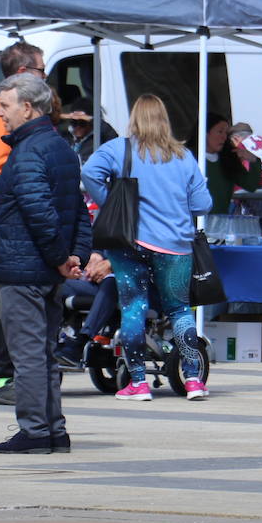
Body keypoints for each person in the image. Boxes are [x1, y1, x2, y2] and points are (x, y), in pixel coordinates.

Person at [0, 72, 91, 452]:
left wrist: (64, 258)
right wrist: (73, 255)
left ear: (27, 108)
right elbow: (77, 210)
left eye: (6, 107)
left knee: (27, 355)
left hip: (24, 268)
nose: (0, 115)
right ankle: (53, 429)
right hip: (41, 267)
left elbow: (39, 211)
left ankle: (34, 430)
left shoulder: (30, 151)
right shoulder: (60, 147)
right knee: (42, 353)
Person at [83, 94, 213, 401]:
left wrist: (111, 202)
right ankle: (193, 380)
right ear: (164, 120)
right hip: (175, 245)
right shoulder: (183, 156)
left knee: (133, 308)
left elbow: (89, 172)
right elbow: (202, 204)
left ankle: (138, 383)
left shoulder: (119, 149)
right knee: (180, 309)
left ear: (134, 119)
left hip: (129, 241)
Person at [0, 42, 48, 406]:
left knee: (11, 299)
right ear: (23, 72)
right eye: (40, 70)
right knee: (7, 300)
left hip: (8, 215)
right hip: (3, 219)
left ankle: (6, 375)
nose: (44, 77)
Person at [204, 114, 262, 214]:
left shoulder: (228, 159)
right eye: (220, 132)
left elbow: (251, 185)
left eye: (226, 133)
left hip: (220, 223)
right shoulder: (189, 158)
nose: (223, 137)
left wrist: (253, 160)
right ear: (205, 133)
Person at [61, 96, 119, 163]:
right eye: (74, 123)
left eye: (82, 123)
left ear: (91, 122)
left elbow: (113, 139)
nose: (77, 127)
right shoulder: (66, 137)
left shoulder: (100, 139)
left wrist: (95, 120)